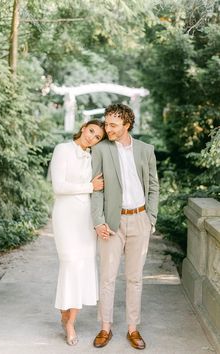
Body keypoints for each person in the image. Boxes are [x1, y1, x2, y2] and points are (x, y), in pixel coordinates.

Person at [91, 104, 159, 350]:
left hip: (140, 219)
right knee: (107, 278)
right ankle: (105, 327)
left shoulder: (146, 150)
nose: (107, 128)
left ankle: (133, 328)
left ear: (126, 125)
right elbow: (96, 189)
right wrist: (98, 221)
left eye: (113, 125)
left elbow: (153, 186)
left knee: (135, 278)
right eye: (106, 123)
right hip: (112, 222)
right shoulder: (100, 149)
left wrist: (151, 218)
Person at [50, 119, 105, 346]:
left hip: (85, 218)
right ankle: (68, 321)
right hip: (65, 216)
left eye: (97, 137)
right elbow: (59, 187)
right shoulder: (63, 149)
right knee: (70, 263)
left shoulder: (92, 158)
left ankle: (70, 318)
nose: (92, 137)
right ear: (83, 127)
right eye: (91, 131)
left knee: (83, 267)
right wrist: (89, 186)